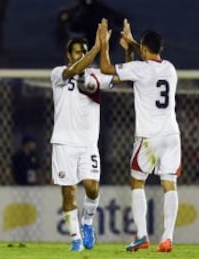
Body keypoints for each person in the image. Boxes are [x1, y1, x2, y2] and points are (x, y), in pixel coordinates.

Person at [99, 18, 181, 253]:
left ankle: (142, 235)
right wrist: (133, 43)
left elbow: (106, 69)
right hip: (171, 135)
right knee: (169, 185)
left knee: (137, 182)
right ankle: (167, 239)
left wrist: (104, 44)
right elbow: (148, 61)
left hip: (149, 138)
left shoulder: (140, 68)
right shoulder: (170, 68)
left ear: (144, 50)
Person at [50, 30, 118, 251]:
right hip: (63, 143)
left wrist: (122, 52)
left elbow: (122, 77)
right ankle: (76, 239)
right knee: (68, 192)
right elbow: (76, 70)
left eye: (84, 52)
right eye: (78, 52)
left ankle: (87, 223)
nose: (81, 56)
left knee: (91, 187)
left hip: (88, 144)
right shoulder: (59, 73)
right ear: (68, 55)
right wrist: (97, 49)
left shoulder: (96, 76)